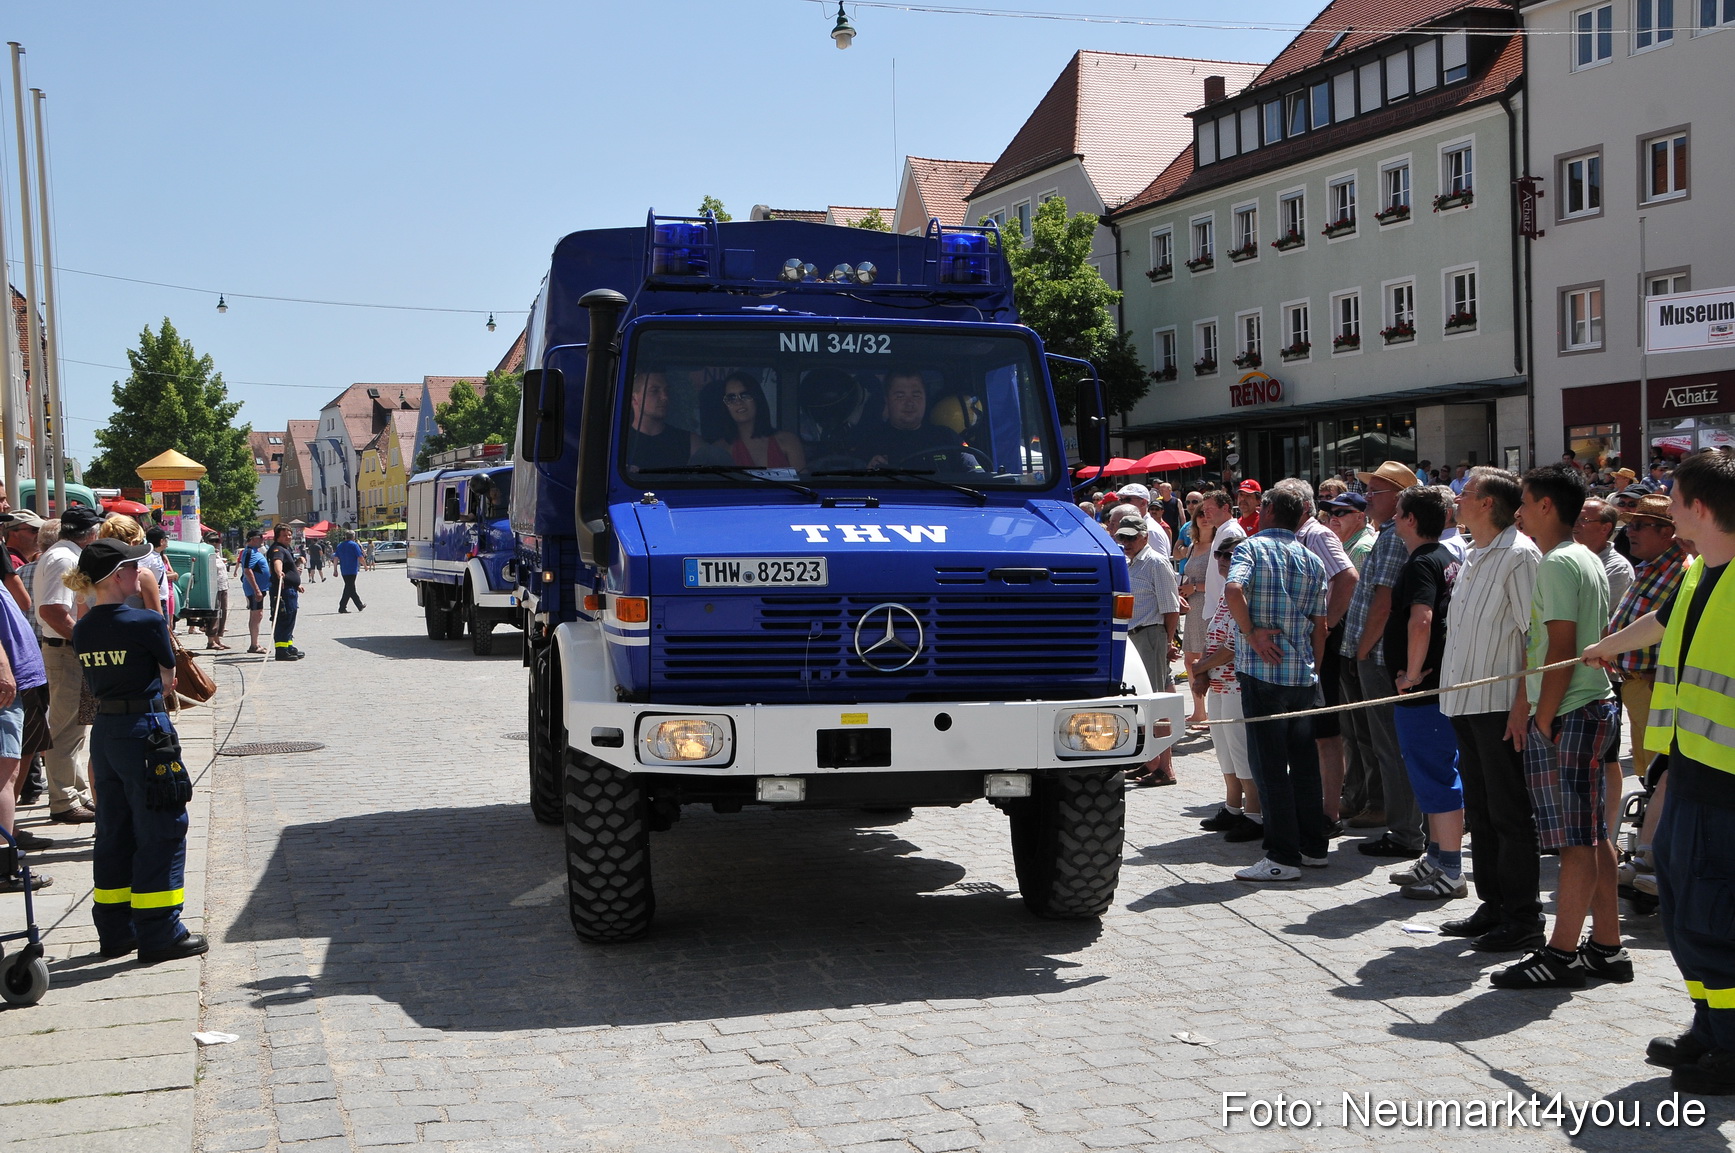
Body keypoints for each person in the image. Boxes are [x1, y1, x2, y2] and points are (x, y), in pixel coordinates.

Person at [1582, 451, 1735, 1093]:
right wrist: (1600, 650)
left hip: (1726, 783)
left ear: (1699, 509)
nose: (1663, 511)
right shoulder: (1702, 570)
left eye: (1671, 501)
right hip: (1687, 769)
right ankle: (1709, 1026)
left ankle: (1730, 1044)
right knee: (1678, 900)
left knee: (1713, 912)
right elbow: (1665, 623)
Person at [1490, 464, 1623, 991]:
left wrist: (1542, 717)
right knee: (1592, 835)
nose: (1518, 511)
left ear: (1547, 506)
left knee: (1574, 842)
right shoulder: (1582, 558)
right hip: (1588, 709)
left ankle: (1562, 954)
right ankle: (1607, 948)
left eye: (1524, 501)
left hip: (1571, 713)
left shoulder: (1558, 564)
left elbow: (1561, 650)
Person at [63, 538, 207, 964]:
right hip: (145, 730)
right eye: (132, 567)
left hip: (106, 733)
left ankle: (115, 930)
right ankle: (160, 931)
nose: (138, 572)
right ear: (116, 576)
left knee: (113, 829)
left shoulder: (84, 627)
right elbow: (167, 674)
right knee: (161, 827)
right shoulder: (145, 622)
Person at [1436, 467, 1547, 951]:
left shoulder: (1520, 555)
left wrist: (1523, 705)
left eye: (1466, 494)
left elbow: (1534, 636)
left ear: (1487, 504)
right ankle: (1494, 904)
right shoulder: (1475, 553)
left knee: (1507, 813)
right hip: (1464, 702)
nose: (1457, 500)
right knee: (1480, 811)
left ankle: (1523, 916)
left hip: (1500, 707)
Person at [1224, 486, 1330, 881]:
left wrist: (1250, 632)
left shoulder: (1250, 549)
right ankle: (1312, 846)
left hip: (1263, 672)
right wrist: (1313, 668)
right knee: (1303, 764)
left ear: (1267, 510)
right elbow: (1321, 626)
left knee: (1269, 766)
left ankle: (1283, 856)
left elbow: (1234, 588)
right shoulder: (1311, 558)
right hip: (1301, 675)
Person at [1341, 461, 1427, 860]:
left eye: (1375, 491)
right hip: (1373, 654)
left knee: (1390, 747)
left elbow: (1384, 600)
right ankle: (1404, 826)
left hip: (1375, 656)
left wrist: (1361, 649)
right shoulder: (1389, 534)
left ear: (1398, 498)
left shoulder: (1394, 538)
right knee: (1384, 744)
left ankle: (1405, 832)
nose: (1368, 498)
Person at [1386, 486, 1467, 899]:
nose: (1393, 519)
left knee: (1437, 775)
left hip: (1425, 691)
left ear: (1412, 519)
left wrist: (1412, 673)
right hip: (1438, 687)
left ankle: (1450, 870)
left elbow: (1422, 619)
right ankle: (1436, 858)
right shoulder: (1448, 559)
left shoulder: (1422, 563)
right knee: (1429, 774)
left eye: (1399, 513)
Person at [1605, 493, 1688, 894]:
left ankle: (1653, 854)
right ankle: (1646, 849)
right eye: (1628, 524)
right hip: (1636, 684)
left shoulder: (1682, 569)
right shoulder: (1652, 566)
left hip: (1655, 684)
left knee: (1659, 772)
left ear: (1668, 532)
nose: (1629, 532)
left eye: (1638, 525)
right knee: (1649, 770)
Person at [1275, 479, 1357, 831]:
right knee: (1307, 729)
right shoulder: (1293, 538)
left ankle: (1329, 812)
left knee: (1325, 730)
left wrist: (1327, 624)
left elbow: (1348, 576)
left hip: (1321, 642)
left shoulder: (1317, 535)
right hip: (1302, 641)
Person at [31, 505, 101, 825]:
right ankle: (62, 800)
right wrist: (82, 639)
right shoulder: (65, 558)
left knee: (72, 728)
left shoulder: (65, 554)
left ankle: (73, 791)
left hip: (64, 649)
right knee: (64, 729)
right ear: (90, 534)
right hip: (64, 650)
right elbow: (53, 611)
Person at [1196, 535, 1262, 843]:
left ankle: (1255, 814)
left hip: (1237, 682)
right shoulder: (1224, 592)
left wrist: (1198, 668)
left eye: (1232, 555)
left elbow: (1233, 646)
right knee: (1224, 750)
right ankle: (1232, 807)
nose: (1224, 559)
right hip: (1219, 682)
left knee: (1241, 750)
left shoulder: (1243, 592)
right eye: (1220, 554)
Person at [1112, 511, 1180, 786]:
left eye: (1131, 538)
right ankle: (1151, 762)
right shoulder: (1131, 563)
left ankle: (1165, 768)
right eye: (1122, 537)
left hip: (1151, 635)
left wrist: (1168, 641)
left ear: (1144, 537)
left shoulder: (1155, 562)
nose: (1126, 542)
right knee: (1145, 702)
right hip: (1135, 637)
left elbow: (1171, 607)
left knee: (1155, 704)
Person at [0, 564, 51, 889]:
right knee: (5, 775)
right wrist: (4, 669)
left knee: (12, 770)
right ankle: (4, 865)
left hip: (18, 681)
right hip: (8, 686)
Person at [700, 372, 807, 471]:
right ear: (725, 406)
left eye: (745, 395)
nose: (738, 402)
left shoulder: (788, 441)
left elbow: (805, 486)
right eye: (731, 398)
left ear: (757, 398)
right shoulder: (719, 450)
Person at [859, 369, 964, 468]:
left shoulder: (947, 438)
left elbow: (976, 474)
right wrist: (868, 473)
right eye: (900, 396)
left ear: (925, 398)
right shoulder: (868, 442)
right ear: (887, 400)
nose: (909, 403)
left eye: (916, 395)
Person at [627, 371, 699, 470]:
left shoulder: (689, 442)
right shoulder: (619, 443)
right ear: (634, 398)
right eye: (654, 391)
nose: (665, 397)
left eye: (666, 390)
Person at [1574, 497, 1634, 606]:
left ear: (1605, 528)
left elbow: (1595, 611)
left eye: (1583, 519)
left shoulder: (1618, 568)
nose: (1574, 524)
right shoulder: (1569, 559)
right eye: (1574, 518)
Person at [266, 525, 305, 662]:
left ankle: (288, 646)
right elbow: (278, 562)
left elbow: (290, 569)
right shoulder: (277, 549)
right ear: (277, 537)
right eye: (284, 535)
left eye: (289, 535)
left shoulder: (285, 548)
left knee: (290, 618)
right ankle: (281, 650)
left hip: (290, 589)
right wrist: (279, 572)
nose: (288, 537)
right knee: (284, 619)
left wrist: (297, 583)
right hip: (283, 591)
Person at [236, 529, 271, 654]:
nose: (263, 539)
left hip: (261, 588)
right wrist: (256, 589)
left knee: (258, 615)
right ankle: (254, 645)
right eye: (260, 537)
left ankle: (255, 643)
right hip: (254, 589)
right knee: (256, 615)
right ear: (253, 538)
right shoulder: (250, 552)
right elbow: (247, 570)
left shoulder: (256, 551)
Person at [334, 531, 366, 614]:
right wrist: (365, 566)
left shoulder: (340, 545)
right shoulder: (354, 545)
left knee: (350, 587)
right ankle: (342, 607)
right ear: (353, 537)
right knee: (349, 588)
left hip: (344, 569)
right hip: (352, 569)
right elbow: (360, 557)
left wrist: (335, 569)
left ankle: (359, 605)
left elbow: (336, 558)